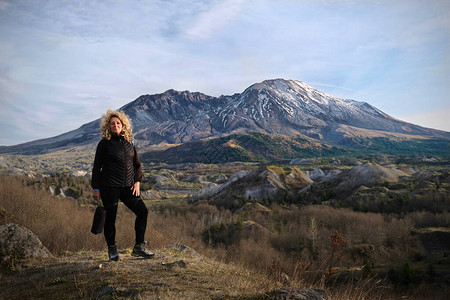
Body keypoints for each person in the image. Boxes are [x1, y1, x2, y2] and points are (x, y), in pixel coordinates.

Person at [91, 109, 154, 261]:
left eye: (118, 123)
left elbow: (137, 165)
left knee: (142, 212)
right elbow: (96, 167)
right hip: (109, 188)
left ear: (123, 125)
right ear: (108, 126)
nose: (115, 125)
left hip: (128, 187)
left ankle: (139, 247)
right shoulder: (104, 144)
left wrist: (137, 182)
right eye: (112, 123)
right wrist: (96, 188)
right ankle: (112, 249)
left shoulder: (130, 144)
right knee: (110, 219)